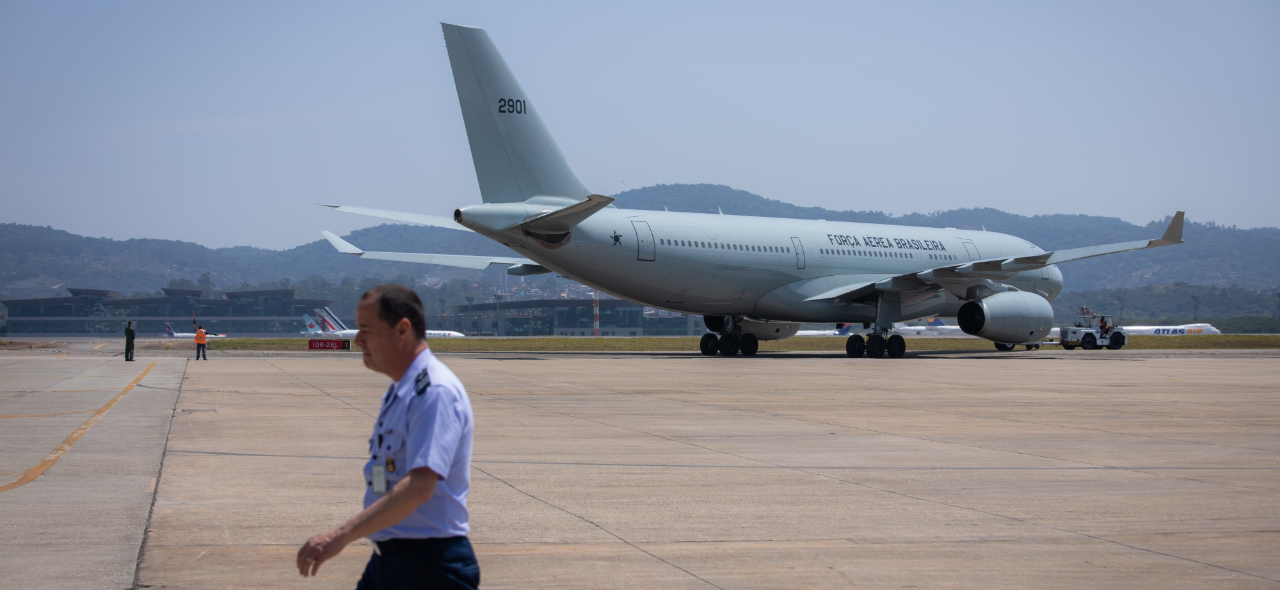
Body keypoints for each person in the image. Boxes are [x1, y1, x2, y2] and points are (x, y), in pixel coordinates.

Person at [296, 284, 478, 589]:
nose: (357, 339)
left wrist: (340, 535)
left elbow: (420, 486)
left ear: (402, 330)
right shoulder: (399, 391)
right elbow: (385, 475)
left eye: (366, 329)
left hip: (429, 569)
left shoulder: (434, 392)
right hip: (390, 561)